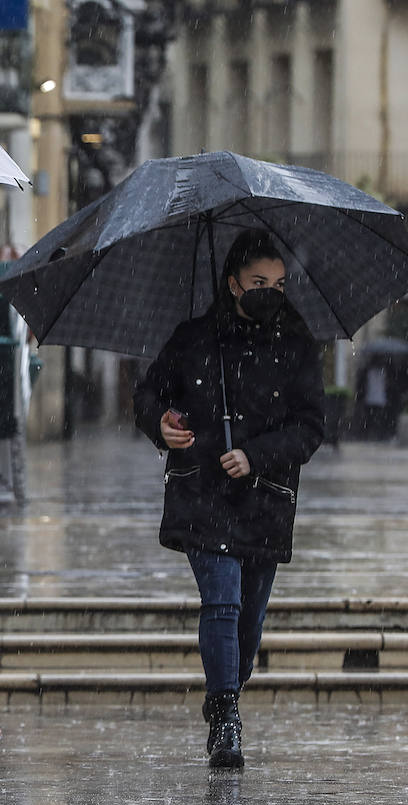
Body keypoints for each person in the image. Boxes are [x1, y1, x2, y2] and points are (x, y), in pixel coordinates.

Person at [133, 228, 324, 769]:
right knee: (222, 600)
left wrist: (257, 455)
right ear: (233, 283)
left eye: (280, 283)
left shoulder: (296, 343)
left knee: (249, 622)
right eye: (259, 281)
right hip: (203, 493)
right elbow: (149, 394)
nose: (270, 290)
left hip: (266, 499)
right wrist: (162, 423)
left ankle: (227, 688)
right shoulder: (194, 338)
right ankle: (225, 717)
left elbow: (310, 426)